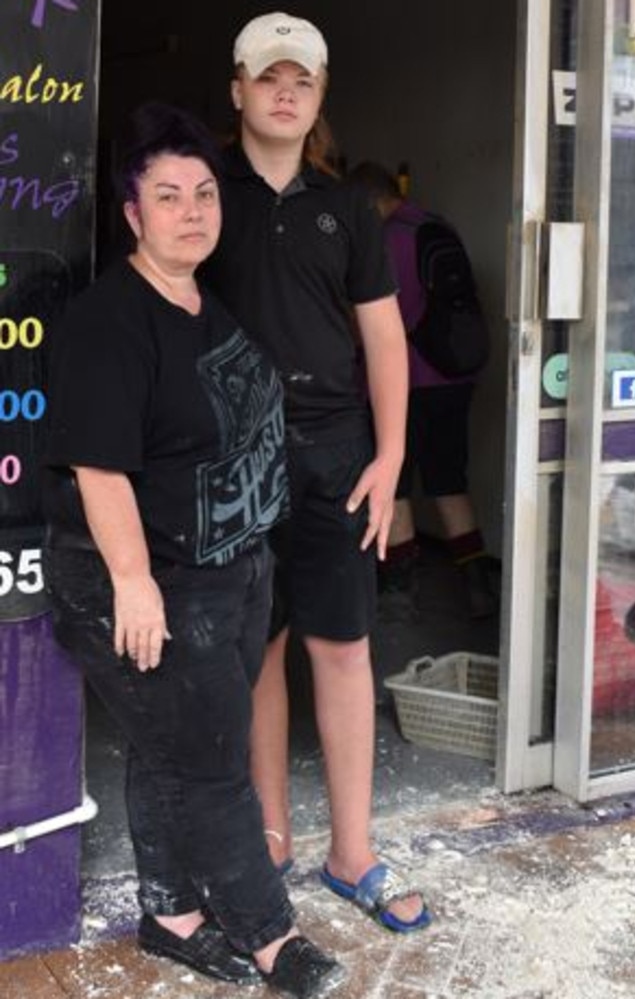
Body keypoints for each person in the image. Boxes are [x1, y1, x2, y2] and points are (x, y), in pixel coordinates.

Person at [41, 101, 345, 999]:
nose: (192, 210)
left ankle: (171, 913)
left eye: (204, 192)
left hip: (228, 577)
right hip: (146, 580)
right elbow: (98, 468)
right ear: (132, 215)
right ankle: (270, 937)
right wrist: (134, 586)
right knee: (213, 762)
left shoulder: (206, 303)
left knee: (169, 747)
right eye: (167, 195)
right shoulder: (111, 321)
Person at [202, 12, 431, 933]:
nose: (285, 92)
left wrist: (391, 456)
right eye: (268, 78)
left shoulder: (344, 209)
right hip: (229, 453)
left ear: (319, 97)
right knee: (255, 646)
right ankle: (268, 838)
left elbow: (383, 334)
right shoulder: (203, 197)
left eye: (302, 80)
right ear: (239, 90)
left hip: (335, 452)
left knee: (341, 646)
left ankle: (353, 852)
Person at [347, 161, 500, 620]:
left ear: (369, 202)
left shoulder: (390, 238)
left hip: (409, 379)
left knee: (394, 482)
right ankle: (476, 583)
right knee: (448, 477)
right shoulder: (435, 226)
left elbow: (381, 322)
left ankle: (398, 589)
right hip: (455, 377)